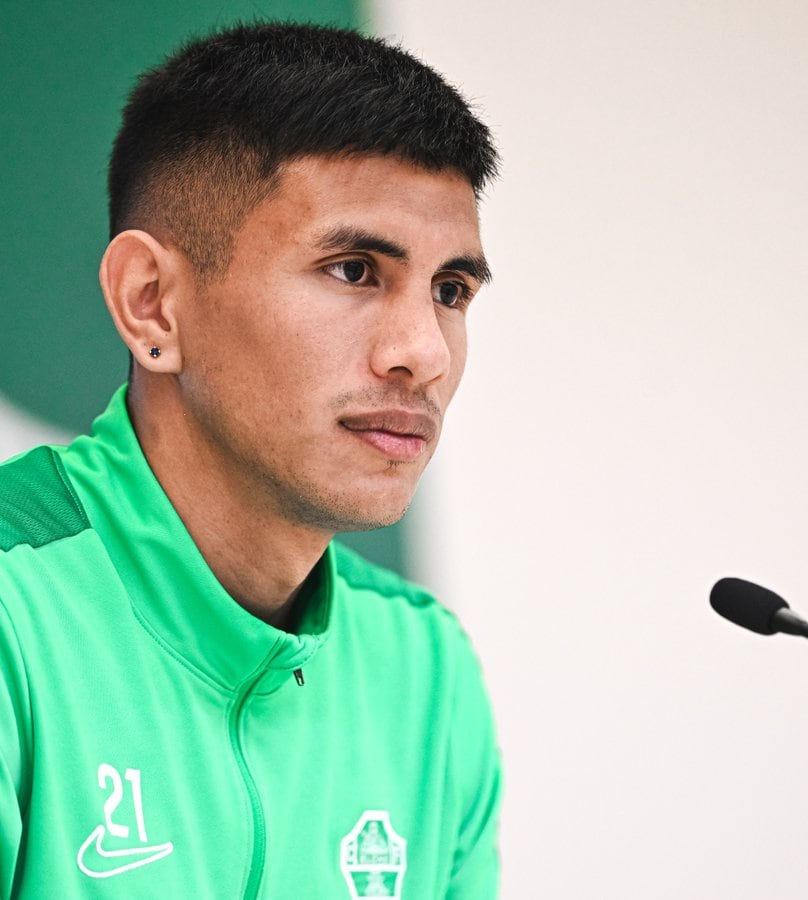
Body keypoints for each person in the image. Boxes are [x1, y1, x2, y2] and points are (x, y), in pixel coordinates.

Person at [0, 22, 501, 898]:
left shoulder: (425, 667)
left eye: (450, 291)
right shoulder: (16, 616)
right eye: (353, 270)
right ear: (151, 304)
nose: (423, 351)